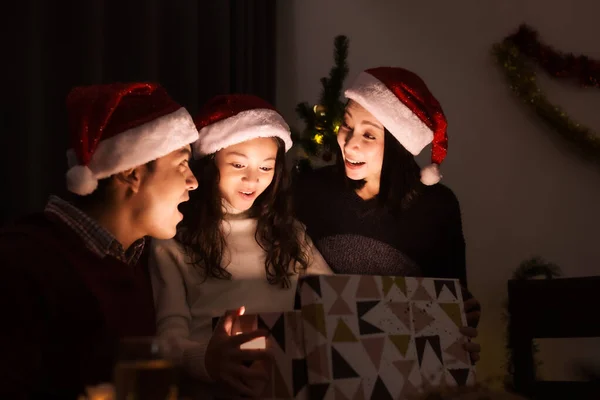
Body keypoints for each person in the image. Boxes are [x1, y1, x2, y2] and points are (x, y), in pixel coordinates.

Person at [0, 82, 200, 399]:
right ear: (131, 174)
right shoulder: (22, 261)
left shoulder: (133, 262)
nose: (193, 181)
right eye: (181, 163)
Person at [150, 94, 332, 398]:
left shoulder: (291, 233)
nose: (252, 179)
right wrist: (207, 361)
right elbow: (169, 336)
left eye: (266, 168)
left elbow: (335, 302)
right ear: (210, 163)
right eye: (238, 164)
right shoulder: (172, 238)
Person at [294, 67, 481, 360]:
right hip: (320, 358)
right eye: (347, 125)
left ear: (399, 143)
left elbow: (453, 300)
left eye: (369, 134)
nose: (350, 143)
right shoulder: (308, 191)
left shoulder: (436, 207)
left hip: (405, 363)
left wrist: (460, 320)